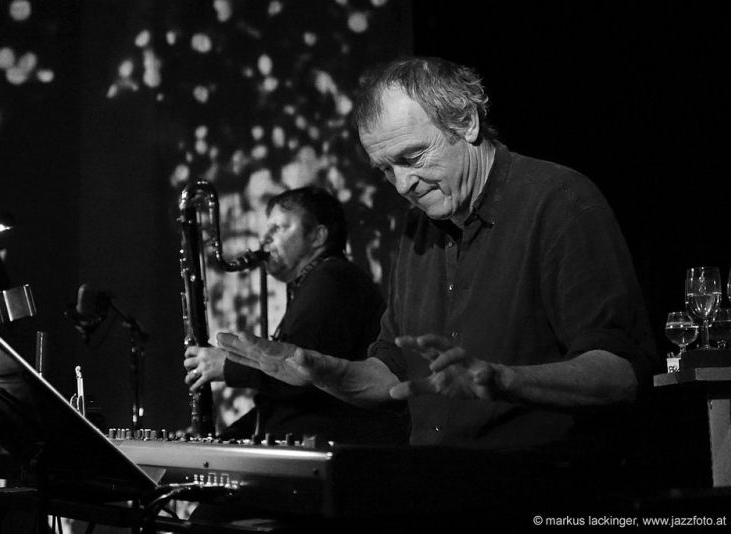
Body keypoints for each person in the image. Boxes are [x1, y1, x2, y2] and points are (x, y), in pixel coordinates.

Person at [215, 57, 657, 490]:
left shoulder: (559, 201)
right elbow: (394, 377)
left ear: (467, 122)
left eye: (413, 157)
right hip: (437, 487)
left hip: (538, 489)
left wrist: (502, 379)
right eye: (386, 169)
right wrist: (323, 372)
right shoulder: (418, 228)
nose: (402, 184)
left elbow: (620, 373)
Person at [184, 186, 409, 445]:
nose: (265, 238)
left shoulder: (332, 278)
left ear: (317, 236)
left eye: (279, 227)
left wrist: (228, 365)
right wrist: (221, 439)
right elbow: (283, 401)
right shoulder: (318, 279)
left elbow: (299, 373)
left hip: (338, 448)